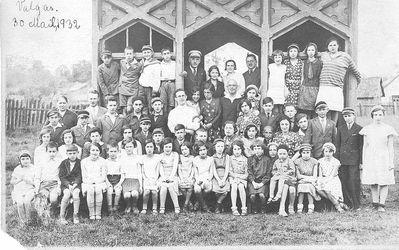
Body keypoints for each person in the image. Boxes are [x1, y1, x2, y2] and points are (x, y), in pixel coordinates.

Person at [359, 105, 397, 212]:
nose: (378, 117)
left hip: (383, 157)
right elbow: (365, 146)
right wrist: (364, 161)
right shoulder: (367, 129)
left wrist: (390, 162)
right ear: (372, 116)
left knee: (384, 181)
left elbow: (390, 147)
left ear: (383, 115)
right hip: (371, 157)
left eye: (380, 115)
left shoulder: (388, 129)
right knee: (373, 181)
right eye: (375, 115)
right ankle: (375, 203)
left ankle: (382, 204)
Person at [317, 37, 361, 123]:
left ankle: (333, 130)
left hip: (336, 88)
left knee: (335, 109)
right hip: (324, 87)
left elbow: (356, 72)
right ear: (327, 47)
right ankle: (326, 130)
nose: (332, 47)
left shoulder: (345, 57)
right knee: (324, 110)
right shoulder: (323, 55)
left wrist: (357, 83)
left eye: (334, 45)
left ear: (338, 46)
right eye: (330, 45)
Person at [335, 107, 363, 210]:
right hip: (343, 159)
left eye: (349, 116)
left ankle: (356, 203)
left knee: (353, 180)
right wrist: (337, 160)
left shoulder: (359, 128)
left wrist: (361, 162)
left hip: (354, 160)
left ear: (354, 116)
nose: (347, 118)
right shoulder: (341, 128)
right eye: (345, 116)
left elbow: (361, 147)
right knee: (344, 180)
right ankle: (347, 202)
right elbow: (337, 145)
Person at [34, 142, 63, 217]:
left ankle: (54, 212)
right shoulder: (42, 162)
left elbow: (60, 176)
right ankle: (44, 215)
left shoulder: (59, 162)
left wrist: (59, 187)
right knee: (42, 199)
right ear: (46, 152)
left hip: (54, 184)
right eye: (50, 151)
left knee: (53, 199)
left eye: (54, 151)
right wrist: (37, 188)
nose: (52, 154)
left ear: (57, 152)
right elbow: (37, 176)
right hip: (44, 184)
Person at [316, 142, 346, 213]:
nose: (328, 153)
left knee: (327, 189)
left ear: (333, 152)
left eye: (330, 152)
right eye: (326, 151)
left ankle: (337, 206)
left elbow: (333, 175)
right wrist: (321, 181)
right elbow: (320, 175)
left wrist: (326, 181)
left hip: (333, 179)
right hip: (323, 178)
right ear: (323, 152)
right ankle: (339, 203)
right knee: (318, 189)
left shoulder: (336, 162)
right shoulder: (320, 161)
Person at [81, 142, 107, 220]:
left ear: (99, 152)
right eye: (93, 150)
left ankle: (98, 213)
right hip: (87, 182)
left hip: (100, 181)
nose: (94, 152)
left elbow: (103, 176)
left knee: (98, 189)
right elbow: (84, 176)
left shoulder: (103, 161)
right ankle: (91, 213)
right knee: (91, 190)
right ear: (89, 151)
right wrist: (90, 182)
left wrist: (96, 181)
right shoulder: (84, 161)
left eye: (97, 150)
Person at [247, 140, 273, 214]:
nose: (257, 150)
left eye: (259, 148)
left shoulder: (267, 159)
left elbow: (268, 173)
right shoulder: (250, 159)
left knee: (262, 195)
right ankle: (254, 208)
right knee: (252, 196)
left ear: (262, 150)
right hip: (253, 181)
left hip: (263, 182)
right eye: (255, 149)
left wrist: (262, 183)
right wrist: (253, 182)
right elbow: (249, 172)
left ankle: (263, 207)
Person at [58, 144, 82, 225]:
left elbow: (80, 175)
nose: (72, 155)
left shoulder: (80, 163)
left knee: (76, 193)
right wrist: (68, 185)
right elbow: (62, 176)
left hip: (76, 184)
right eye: (70, 153)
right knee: (67, 194)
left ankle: (75, 215)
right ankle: (62, 215)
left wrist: (75, 184)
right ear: (67, 154)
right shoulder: (64, 163)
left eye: (74, 153)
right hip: (66, 184)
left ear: (77, 153)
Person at [10, 151, 36, 224]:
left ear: (30, 159)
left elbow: (36, 183)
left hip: (30, 189)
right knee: (20, 203)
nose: (25, 161)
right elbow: (12, 182)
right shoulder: (17, 169)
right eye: (23, 159)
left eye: (27, 158)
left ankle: (28, 219)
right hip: (19, 190)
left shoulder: (33, 168)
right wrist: (19, 179)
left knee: (27, 201)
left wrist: (29, 182)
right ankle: (23, 220)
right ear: (20, 161)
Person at [298, 43, 322, 117]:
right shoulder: (304, 63)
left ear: (315, 51)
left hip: (315, 87)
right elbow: (302, 75)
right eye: (309, 50)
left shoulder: (319, 63)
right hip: (305, 87)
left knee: (314, 108)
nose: (311, 52)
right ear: (306, 52)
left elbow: (320, 76)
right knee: (305, 109)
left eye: (312, 50)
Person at [294, 144, 319, 214]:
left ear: (310, 153)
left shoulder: (314, 161)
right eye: (304, 153)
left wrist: (305, 179)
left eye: (308, 153)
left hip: (310, 182)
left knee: (309, 187)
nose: (306, 155)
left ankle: (310, 207)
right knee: (301, 187)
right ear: (301, 153)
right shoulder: (297, 162)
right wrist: (306, 179)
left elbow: (314, 177)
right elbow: (298, 176)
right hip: (301, 182)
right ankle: (299, 207)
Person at [120, 138, 142, 214]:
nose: (129, 149)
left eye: (130, 146)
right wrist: (120, 184)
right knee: (127, 195)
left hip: (135, 180)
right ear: (124, 148)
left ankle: (134, 205)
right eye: (127, 147)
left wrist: (141, 185)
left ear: (134, 147)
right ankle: (128, 205)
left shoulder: (138, 158)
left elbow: (139, 172)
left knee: (134, 193)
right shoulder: (122, 158)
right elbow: (122, 174)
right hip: (126, 180)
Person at [119, 46, 143, 115]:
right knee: (123, 109)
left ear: (134, 55)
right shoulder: (122, 62)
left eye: (130, 54)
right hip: (122, 88)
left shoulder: (138, 65)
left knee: (129, 109)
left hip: (132, 88)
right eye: (127, 54)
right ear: (124, 55)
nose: (129, 56)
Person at [158, 137, 180, 214]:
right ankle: (162, 207)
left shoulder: (175, 155)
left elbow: (175, 167)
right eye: (166, 147)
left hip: (173, 175)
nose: (168, 149)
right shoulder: (160, 156)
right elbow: (160, 168)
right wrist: (164, 177)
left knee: (171, 186)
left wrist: (170, 177)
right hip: (163, 175)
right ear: (163, 147)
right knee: (163, 187)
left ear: (172, 147)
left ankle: (177, 207)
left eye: (169, 147)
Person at [139, 139, 161, 214]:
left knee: (154, 192)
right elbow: (142, 171)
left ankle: (154, 208)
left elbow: (157, 170)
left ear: (154, 148)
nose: (149, 149)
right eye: (147, 147)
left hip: (155, 178)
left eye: (151, 147)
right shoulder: (143, 158)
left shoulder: (157, 157)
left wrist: (155, 179)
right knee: (147, 192)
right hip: (146, 178)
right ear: (145, 148)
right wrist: (146, 179)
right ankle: (144, 207)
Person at [193, 141, 214, 213]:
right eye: (200, 150)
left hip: (207, 177)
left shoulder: (210, 159)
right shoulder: (196, 159)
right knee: (197, 190)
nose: (202, 152)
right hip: (199, 177)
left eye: (204, 149)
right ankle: (204, 206)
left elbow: (211, 172)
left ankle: (198, 203)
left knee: (208, 188)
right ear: (197, 151)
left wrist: (208, 179)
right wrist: (197, 180)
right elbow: (196, 172)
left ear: (207, 150)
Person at [229, 140, 248, 216]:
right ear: (232, 150)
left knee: (241, 187)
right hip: (233, 177)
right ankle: (234, 208)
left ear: (242, 149)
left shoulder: (245, 159)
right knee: (234, 186)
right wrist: (235, 177)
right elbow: (229, 171)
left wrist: (240, 178)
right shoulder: (230, 158)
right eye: (235, 149)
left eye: (239, 149)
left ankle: (244, 208)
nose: (237, 151)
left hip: (242, 178)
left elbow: (247, 173)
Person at [139, 45, 161, 112]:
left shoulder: (156, 64)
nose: (146, 54)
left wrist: (155, 89)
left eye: (148, 52)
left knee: (150, 105)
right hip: (142, 87)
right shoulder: (142, 62)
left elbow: (157, 77)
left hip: (150, 88)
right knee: (142, 104)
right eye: (145, 53)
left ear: (152, 53)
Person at [212, 139, 230, 213]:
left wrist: (224, 179)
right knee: (216, 192)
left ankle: (218, 204)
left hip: (225, 175)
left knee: (225, 191)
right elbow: (213, 170)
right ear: (215, 147)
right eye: (218, 146)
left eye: (222, 146)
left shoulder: (227, 156)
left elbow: (227, 169)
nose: (220, 148)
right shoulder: (212, 157)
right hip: (216, 175)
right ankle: (220, 204)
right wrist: (219, 180)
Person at [105, 143, 123, 214]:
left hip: (117, 179)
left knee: (118, 191)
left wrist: (119, 184)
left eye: (115, 151)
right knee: (109, 191)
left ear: (118, 152)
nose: (113, 153)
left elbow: (122, 174)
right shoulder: (105, 162)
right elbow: (104, 174)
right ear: (108, 152)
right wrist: (108, 183)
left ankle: (115, 207)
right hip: (108, 179)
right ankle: (109, 208)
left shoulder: (120, 162)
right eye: (111, 151)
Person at [178, 142, 195, 213]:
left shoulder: (192, 158)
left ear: (189, 149)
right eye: (182, 150)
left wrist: (190, 177)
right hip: (182, 175)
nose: (184, 151)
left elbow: (193, 169)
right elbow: (179, 169)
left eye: (186, 149)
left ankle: (186, 204)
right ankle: (189, 203)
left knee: (190, 187)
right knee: (182, 187)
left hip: (190, 175)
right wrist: (182, 178)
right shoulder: (180, 157)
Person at [159, 47, 176, 114]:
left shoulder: (175, 63)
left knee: (172, 102)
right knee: (163, 102)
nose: (167, 55)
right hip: (163, 83)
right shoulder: (160, 64)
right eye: (165, 54)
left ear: (171, 54)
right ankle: (164, 118)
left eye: (168, 53)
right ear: (162, 56)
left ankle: (171, 116)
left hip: (172, 83)